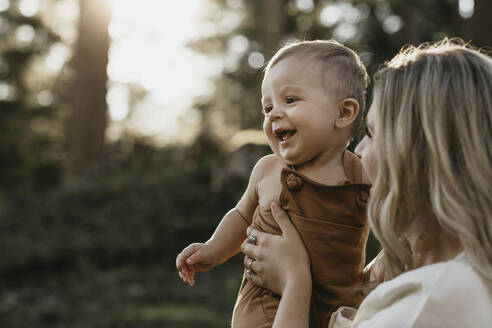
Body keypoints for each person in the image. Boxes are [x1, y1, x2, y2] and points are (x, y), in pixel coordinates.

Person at [241, 38, 492, 327]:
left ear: (421, 156)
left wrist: (295, 282)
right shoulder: (427, 271)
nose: (358, 151)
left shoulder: (431, 300)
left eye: (371, 134)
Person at [176, 40, 372, 328]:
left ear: (343, 113)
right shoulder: (269, 169)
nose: (273, 114)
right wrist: (213, 249)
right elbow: (241, 215)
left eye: (290, 100)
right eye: (267, 107)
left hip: (335, 316)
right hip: (263, 312)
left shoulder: (361, 175)